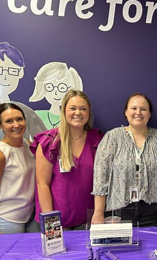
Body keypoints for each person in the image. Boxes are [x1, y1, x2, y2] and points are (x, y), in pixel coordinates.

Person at [91, 92, 157, 227]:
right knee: (121, 248)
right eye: (134, 108)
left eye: (143, 109)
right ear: (126, 112)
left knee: (152, 246)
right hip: (118, 211)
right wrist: (98, 212)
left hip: (152, 210)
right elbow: (100, 177)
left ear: (149, 114)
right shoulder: (112, 137)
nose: (138, 112)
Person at [31, 89, 103, 230]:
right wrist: (51, 224)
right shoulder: (49, 142)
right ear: (64, 111)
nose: (78, 113)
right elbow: (42, 184)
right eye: (73, 108)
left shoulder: (97, 141)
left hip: (88, 222)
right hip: (56, 223)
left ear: (88, 113)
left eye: (83, 109)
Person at [0, 41, 46, 152]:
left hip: (20, 164)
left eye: (12, 71)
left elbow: (43, 139)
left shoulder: (25, 111)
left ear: (21, 73)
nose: (5, 76)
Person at [0, 103, 38, 234]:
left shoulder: (28, 145)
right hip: (7, 220)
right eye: (9, 121)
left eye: (19, 119)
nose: (16, 125)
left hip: (30, 217)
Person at [29, 62, 83, 129]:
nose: (56, 92)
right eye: (49, 87)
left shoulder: (74, 118)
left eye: (62, 88)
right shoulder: (36, 116)